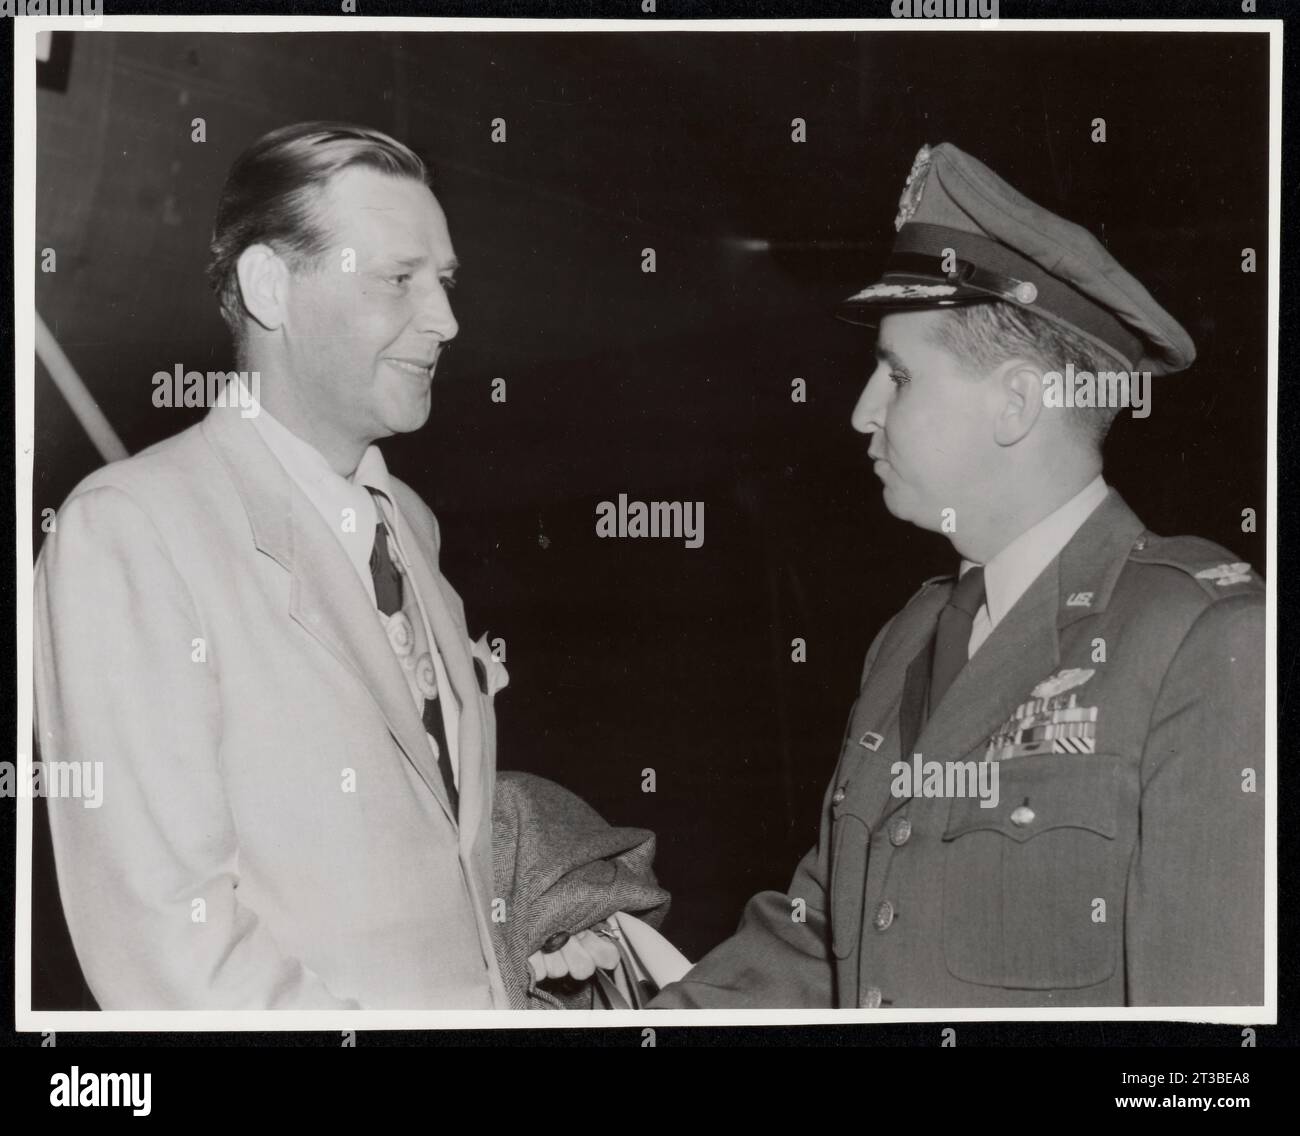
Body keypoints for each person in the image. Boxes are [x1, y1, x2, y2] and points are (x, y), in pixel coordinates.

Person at [651, 142, 1265, 1008]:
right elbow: (822, 937)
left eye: (898, 375)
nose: (863, 410)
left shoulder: (1207, 643)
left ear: (1015, 404)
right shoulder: (909, 638)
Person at [33, 122, 616, 1009]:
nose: (447, 320)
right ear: (272, 287)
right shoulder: (131, 532)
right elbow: (171, 950)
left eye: (445, 282)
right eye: (398, 281)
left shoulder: (408, 526)